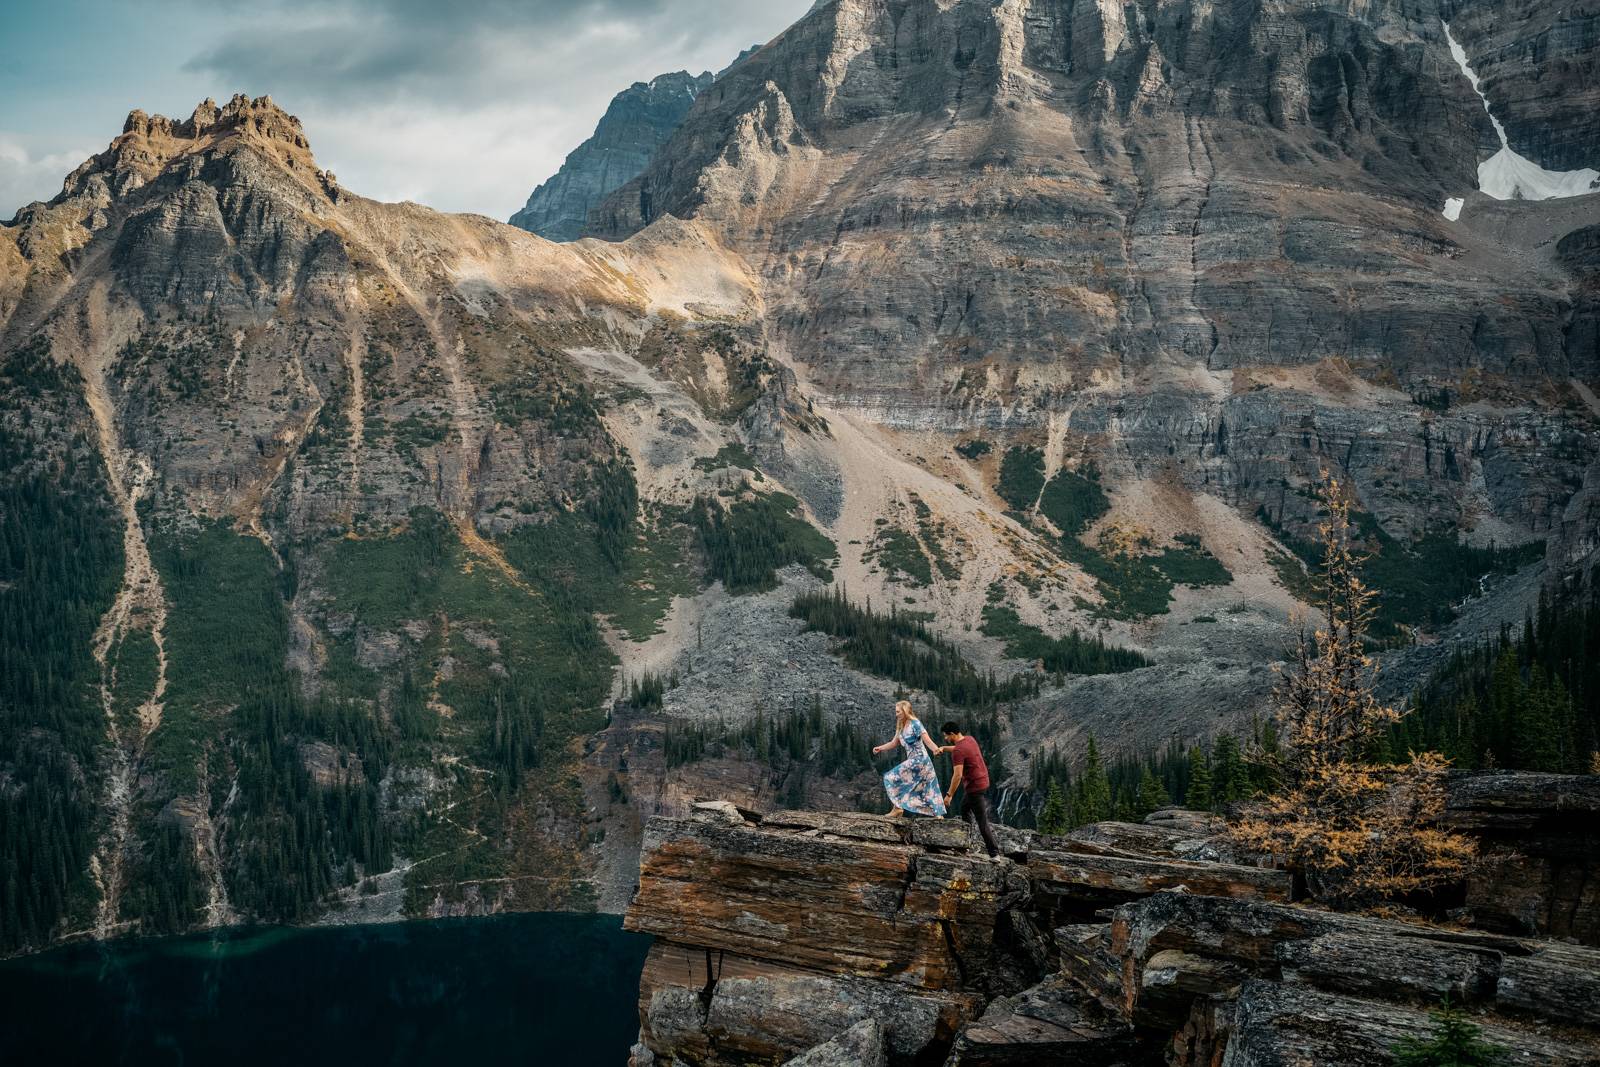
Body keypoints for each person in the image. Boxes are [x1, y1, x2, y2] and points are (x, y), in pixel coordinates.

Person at [872, 700, 947, 818]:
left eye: (898, 712)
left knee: (891, 777)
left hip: (920, 760)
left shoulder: (915, 723)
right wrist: (880, 748)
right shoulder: (901, 726)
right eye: (896, 712)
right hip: (915, 761)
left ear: (905, 711)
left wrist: (935, 749)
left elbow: (926, 739)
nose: (896, 714)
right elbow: (894, 743)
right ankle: (938, 815)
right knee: (928, 787)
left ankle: (898, 808)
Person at [938, 721, 1001, 859]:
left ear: (953, 734)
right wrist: (944, 748)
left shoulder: (959, 751)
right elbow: (958, 749)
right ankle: (966, 843)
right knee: (964, 809)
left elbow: (957, 775)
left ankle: (994, 853)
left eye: (946, 736)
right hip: (983, 781)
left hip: (975, 788)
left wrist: (949, 795)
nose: (945, 738)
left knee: (982, 821)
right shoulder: (969, 739)